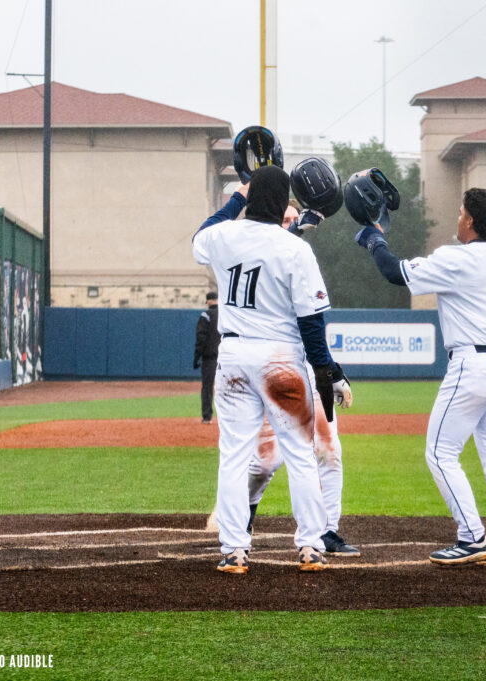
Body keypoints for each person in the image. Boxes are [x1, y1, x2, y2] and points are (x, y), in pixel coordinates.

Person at [354, 185, 486, 568]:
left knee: (439, 452)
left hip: (472, 364)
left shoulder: (457, 259)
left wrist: (374, 239)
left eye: (460, 213)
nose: (457, 218)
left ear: (470, 221)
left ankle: (472, 537)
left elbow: (395, 273)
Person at [192, 165, 351, 575]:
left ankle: (234, 550)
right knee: (300, 454)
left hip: (233, 357)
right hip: (279, 358)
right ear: (283, 204)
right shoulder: (294, 248)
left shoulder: (224, 236)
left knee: (233, 457)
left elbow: (202, 235)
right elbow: (311, 319)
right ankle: (311, 546)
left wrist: (236, 198)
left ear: (249, 199)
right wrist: (324, 369)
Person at [193, 291, 221, 424]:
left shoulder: (206, 315)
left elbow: (201, 338)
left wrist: (196, 357)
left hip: (209, 358)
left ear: (209, 301)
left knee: (207, 387)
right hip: (226, 357)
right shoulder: (226, 315)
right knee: (231, 386)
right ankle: (232, 418)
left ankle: (207, 417)